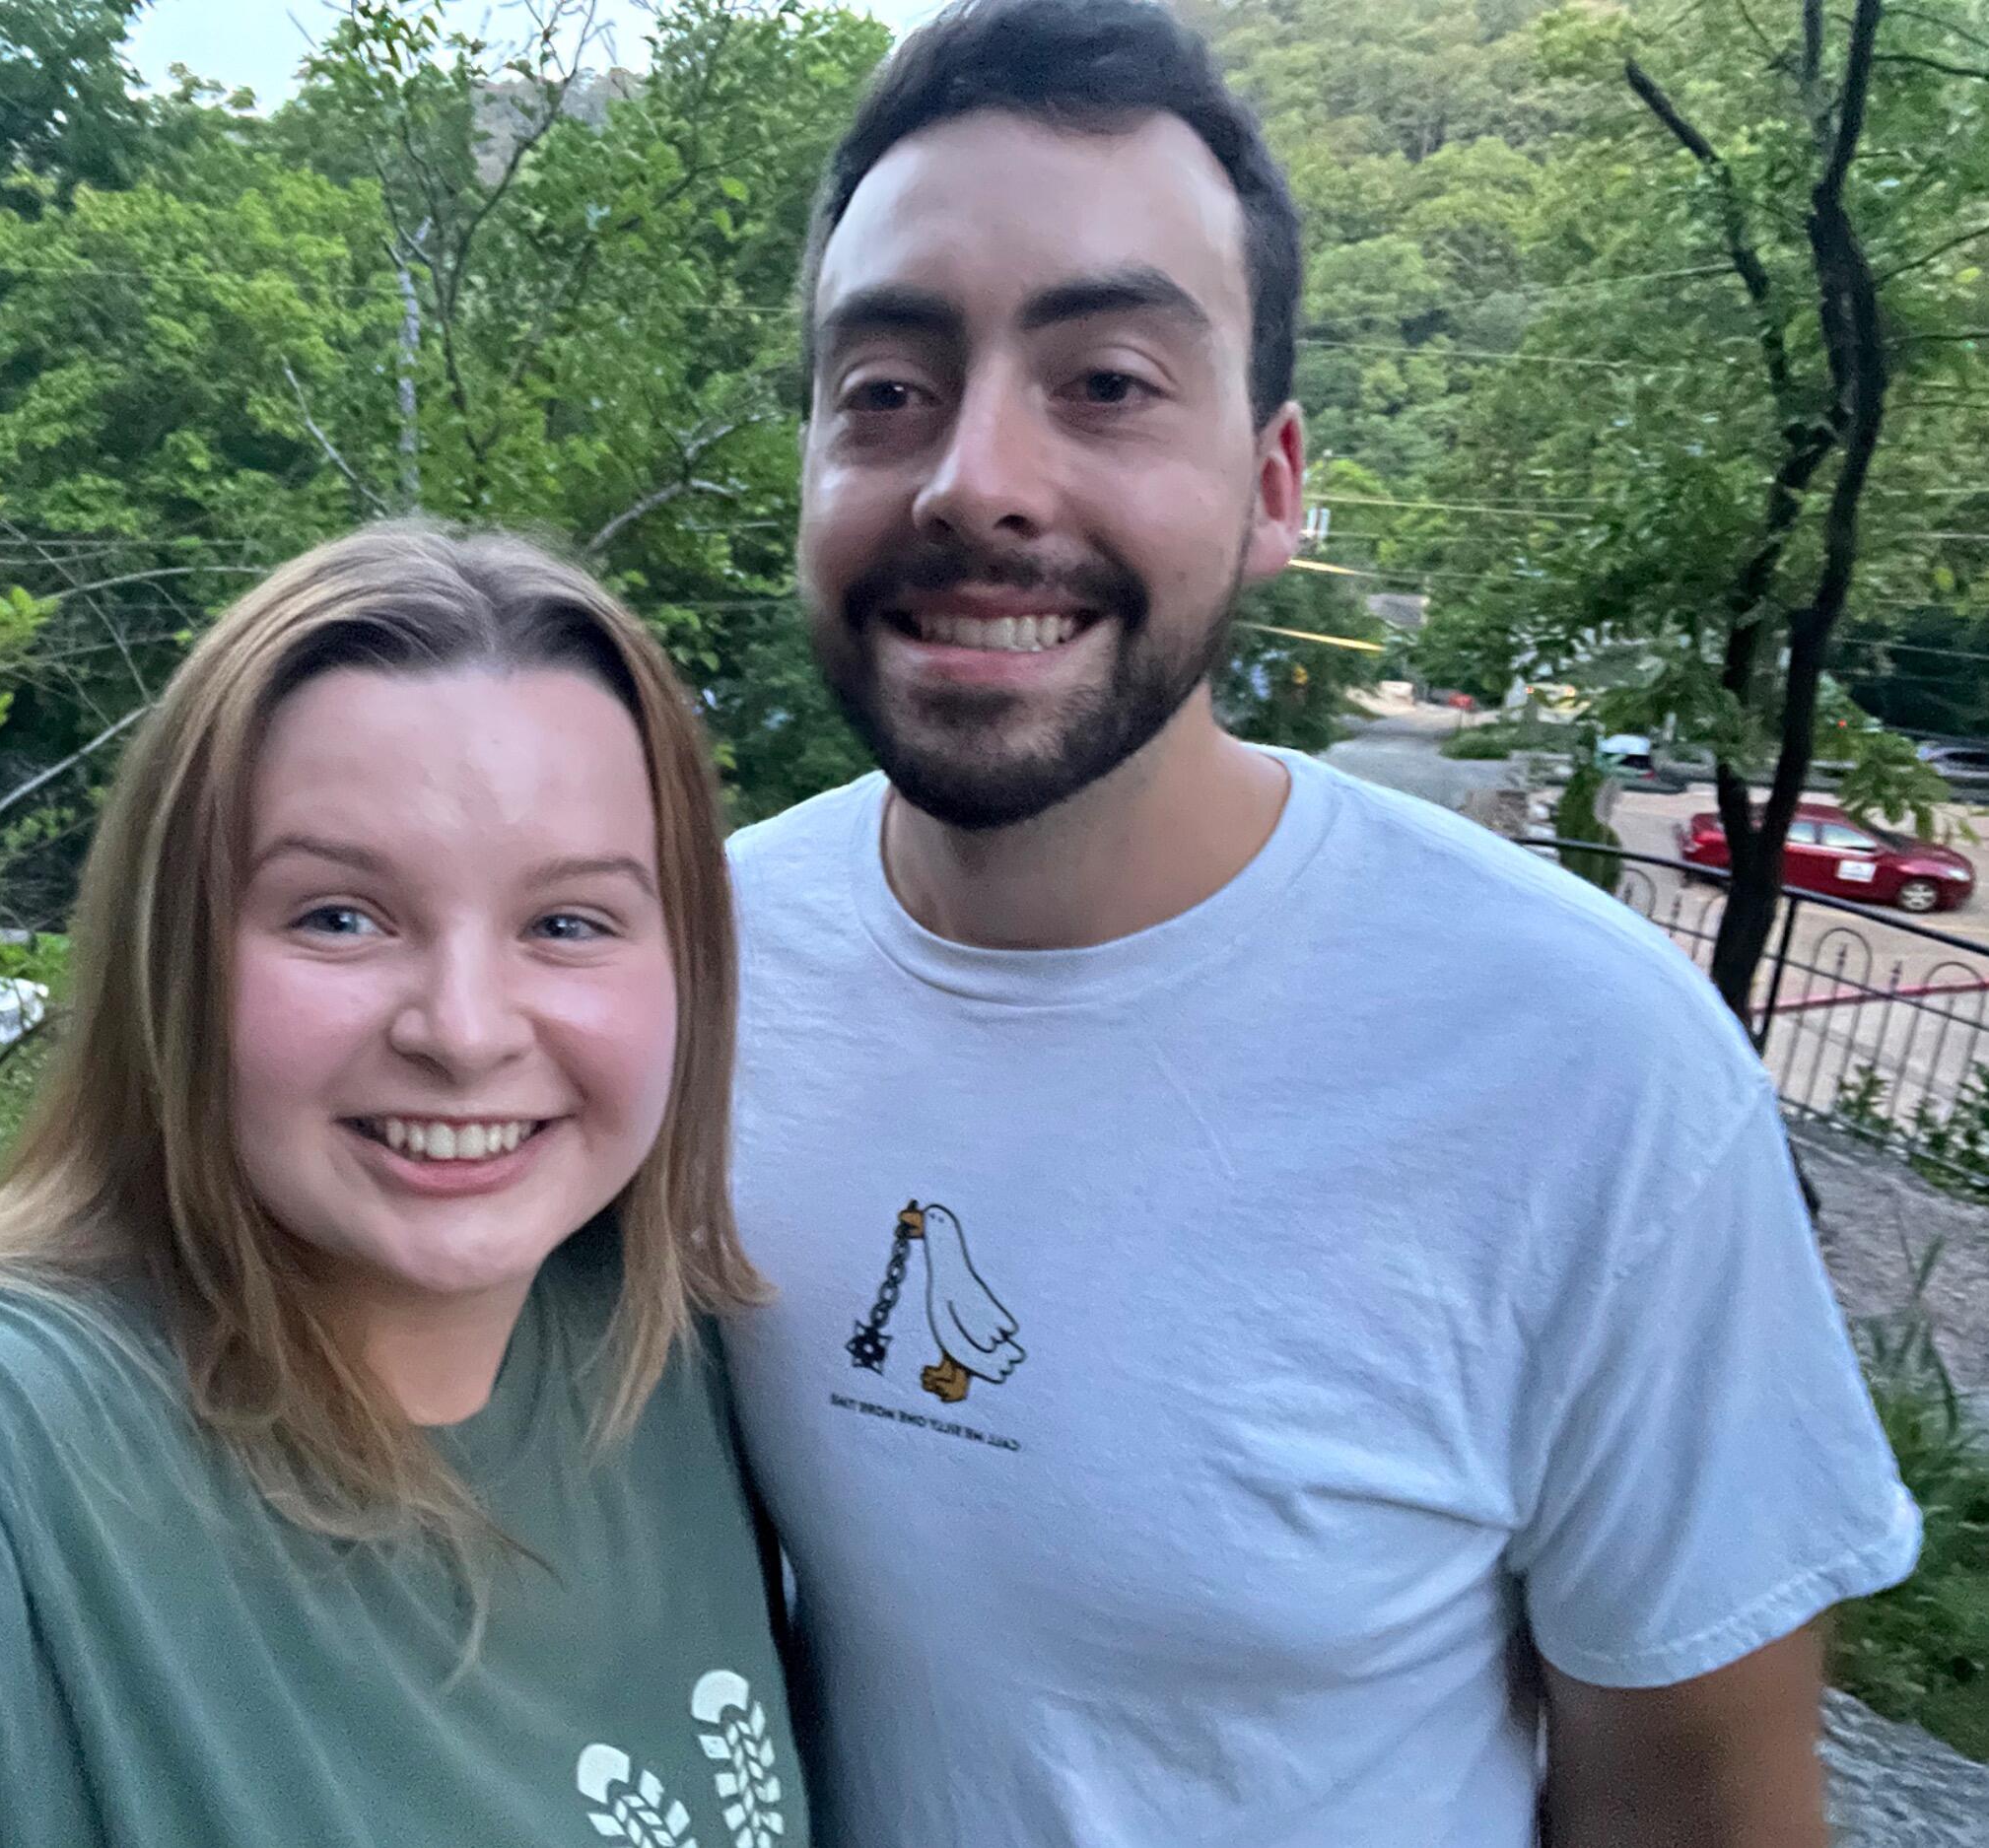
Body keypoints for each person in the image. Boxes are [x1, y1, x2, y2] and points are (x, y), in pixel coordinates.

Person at [720, 3, 1919, 1844]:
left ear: (1274, 488)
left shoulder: (1586, 1074)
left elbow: (1702, 1820)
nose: (974, 478)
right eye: (885, 388)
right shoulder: (685, 980)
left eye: (1107, 380)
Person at [0, 522, 806, 1847]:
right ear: (174, 960)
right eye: (340, 916)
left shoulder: (680, 1362)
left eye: (568, 924)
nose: (465, 1029)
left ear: (688, 972)